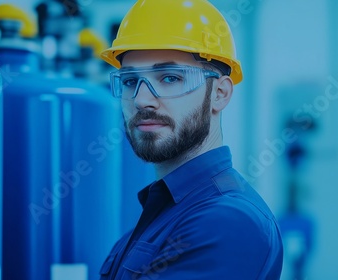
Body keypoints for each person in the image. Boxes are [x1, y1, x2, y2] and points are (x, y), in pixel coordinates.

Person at [98, 0, 283, 279]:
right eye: (130, 81)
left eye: (170, 78)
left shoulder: (228, 222)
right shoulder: (164, 213)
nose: (142, 99)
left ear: (220, 93)